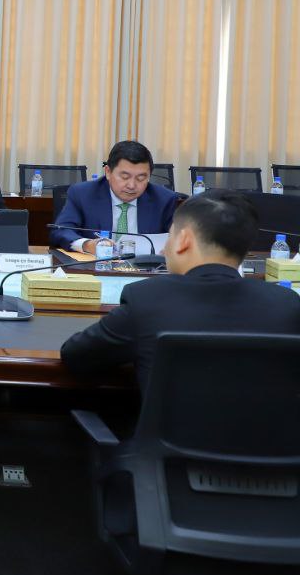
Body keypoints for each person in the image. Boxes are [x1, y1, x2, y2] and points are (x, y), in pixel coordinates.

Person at [61, 190, 300, 392]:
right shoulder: (287, 305)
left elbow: (76, 356)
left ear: (184, 239)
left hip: (167, 437)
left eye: (170, 234)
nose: (164, 249)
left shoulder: (146, 299)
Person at [48, 140, 178, 252]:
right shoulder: (83, 194)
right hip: (95, 267)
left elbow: (178, 241)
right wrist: (87, 245)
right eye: (125, 177)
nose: (132, 185)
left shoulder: (164, 200)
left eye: (141, 178)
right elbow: (61, 231)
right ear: (108, 172)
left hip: (144, 270)